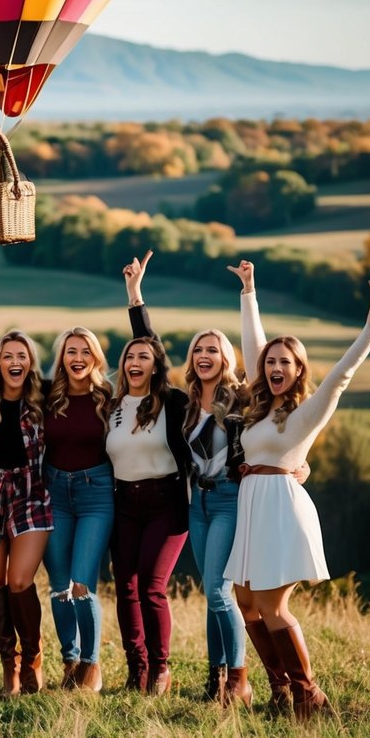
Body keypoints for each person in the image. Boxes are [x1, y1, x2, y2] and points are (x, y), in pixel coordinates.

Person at [225, 259, 370, 719]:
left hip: (281, 508)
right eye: (271, 362)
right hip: (252, 506)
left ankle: (310, 696)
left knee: (271, 605)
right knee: (245, 602)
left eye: (286, 362)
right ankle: (280, 689)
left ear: (299, 369)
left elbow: (341, 376)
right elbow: (253, 346)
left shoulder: (305, 414)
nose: (276, 365)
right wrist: (249, 292)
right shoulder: (260, 407)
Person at [122, 252, 251, 706]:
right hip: (196, 504)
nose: (202, 356)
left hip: (232, 500)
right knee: (210, 589)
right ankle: (215, 680)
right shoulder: (183, 403)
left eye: (212, 349)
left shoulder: (240, 400)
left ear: (225, 357)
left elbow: (279, 425)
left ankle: (238, 679)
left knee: (218, 591)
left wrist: (298, 463)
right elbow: (149, 349)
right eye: (198, 350)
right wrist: (135, 295)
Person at [107, 263, 191, 695]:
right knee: (125, 587)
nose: (136, 360)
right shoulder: (114, 404)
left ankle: (160, 669)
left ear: (155, 366)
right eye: (130, 356)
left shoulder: (170, 402)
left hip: (166, 502)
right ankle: (135, 669)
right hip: (123, 504)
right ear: (122, 365)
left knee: (151, 584)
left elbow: (150, 340)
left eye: (144, 356)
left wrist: (135, 296)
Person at [0, 330, 53, 695]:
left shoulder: (45, 399)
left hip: (31, 494)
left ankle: (33, 657)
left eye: (22, 355)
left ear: (30, 362)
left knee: (20, 580)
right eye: (8, 356)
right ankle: (10, 666)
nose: (15, 362)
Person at [42, 327, 114, 693]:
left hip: (96, 494)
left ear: (96, 357)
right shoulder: (48, 396)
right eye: (71, 351)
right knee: (59, 587)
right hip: (54, 493)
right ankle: (69, 660)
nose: (78, 358)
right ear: (62, 358)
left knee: (82, 584)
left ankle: (91, 663)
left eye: (86, 351)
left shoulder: (109, 397)